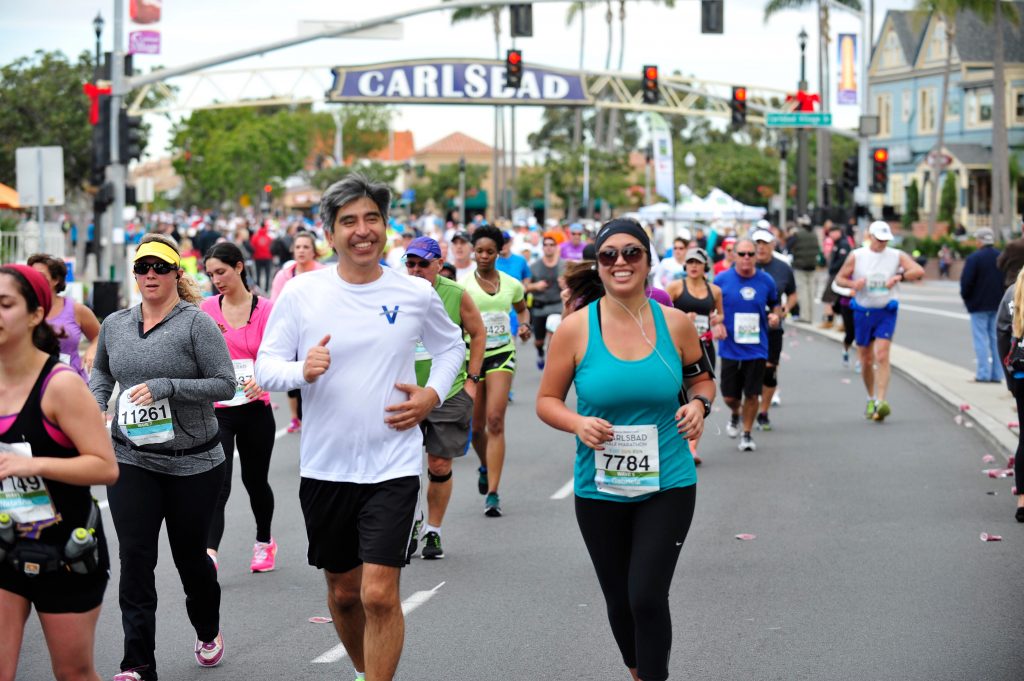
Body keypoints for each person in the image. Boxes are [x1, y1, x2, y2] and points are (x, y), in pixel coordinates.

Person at [255, 174, 465, 681]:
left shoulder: (414, 292)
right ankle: (363, 670)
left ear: (386, 227)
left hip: (391, 464)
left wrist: (432, 394)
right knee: (345, 594)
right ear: (330, 233)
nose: (362, 230)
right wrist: (301, 370)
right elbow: (266, 366)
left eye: (372, 218)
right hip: (326, 467)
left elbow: (450, 345)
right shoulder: (304, 292)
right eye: (349, 221)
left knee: (378, 593)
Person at [536, 218, 715, 681]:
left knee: (647, 596)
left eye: (632, 252)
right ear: (598, 265)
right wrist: (578, 422)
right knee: (619, 599)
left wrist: (700, 405)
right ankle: (639, 671)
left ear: (648, 261)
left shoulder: (675, 324)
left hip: (669, 482)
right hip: (599, 487)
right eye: (609, 254)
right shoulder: (575, 330)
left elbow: (702, 378)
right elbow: (546, 402)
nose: (621, 262)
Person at [90, 234, 236, 680]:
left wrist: (168, 385)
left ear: (176, 273)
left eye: (159, 267)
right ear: (134, 275)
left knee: (191, 559)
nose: (150, 275)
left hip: (193, 462)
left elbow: (224, 384)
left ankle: (207, 630)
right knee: (135, 558)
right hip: (132, 459)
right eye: (142, 267)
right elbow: (102, 370)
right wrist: (96, 406)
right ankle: (137, 663)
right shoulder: (115, 323)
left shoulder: (196, 324)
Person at [0, 264, 118, 681]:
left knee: (74, 674)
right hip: (4, 542)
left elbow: (105, 467)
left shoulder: (61, 385)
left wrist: (33, 464)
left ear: (35, 314)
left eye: (5, 304)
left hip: (66, 550)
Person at [403, 237, 485, 560]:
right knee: (404, 466)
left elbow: (478, 333)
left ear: (439, 263)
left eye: (423, 264)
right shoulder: (396, 291)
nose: (416, 270)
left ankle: (433, 530)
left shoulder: (455, 294)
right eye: (410, 264)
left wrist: (473, 382)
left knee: (438, 463)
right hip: (405, 391)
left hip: (448, 392)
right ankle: (410, 521)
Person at [200, 242, 279, 573]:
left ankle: (264, 542)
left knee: (255, 480)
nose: (217, 279)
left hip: (257, 409)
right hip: (220, 409)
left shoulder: (267, 309)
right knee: (220, 482)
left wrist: (264, 379)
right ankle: (210, 555)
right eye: (211, 274)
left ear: (239, 267)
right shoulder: (206, 309)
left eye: (222, 271)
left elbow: (280, 355)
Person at [463, 226, 531, 516]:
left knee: (495, 420)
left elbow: (521, 308)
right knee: (475, 427)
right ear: (473, 252)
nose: (484, 256)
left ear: (499, 251)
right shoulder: (463, 285)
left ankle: (493, 492)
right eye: (479, 251)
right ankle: (484, 465)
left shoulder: (512, 284)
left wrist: (525, 324)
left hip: (503, 354)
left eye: (490, 251)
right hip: (472, 357)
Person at [834, 221, 925, 421]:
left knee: (882, 355)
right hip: (863, 311)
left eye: (885, 240)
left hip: (886, 310)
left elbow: (918, 270)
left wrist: (899, 276)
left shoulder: (895, 255)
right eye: (879, 239)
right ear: (870, 237)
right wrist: (853, 283)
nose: (882, 243)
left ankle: (882, 401)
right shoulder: (857, 255)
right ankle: (871, 397)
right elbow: (839, 279)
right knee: (866, 359)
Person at [717, 238, 782, 451]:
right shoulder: (721, 280)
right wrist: (715, 323)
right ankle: (736, 412)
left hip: (756, 347)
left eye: (750, 254)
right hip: (730, 346)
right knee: (729, 395)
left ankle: (746, 433)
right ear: (733, 255)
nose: (746, 258)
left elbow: (775, 305)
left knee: (752, 394)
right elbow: (711, 308)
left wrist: (775, 316)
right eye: (742, 253)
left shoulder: (766, 281)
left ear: (756, 256)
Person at [269, 231, 326, 433]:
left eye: (306, 247)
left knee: (315, 378)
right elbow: (275, 307)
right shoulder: (284, 276)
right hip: (292, 335)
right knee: (294, 379)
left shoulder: (324, 273)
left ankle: (316, 417)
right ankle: (295, 417)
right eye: (298, 247)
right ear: (293, 249)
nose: (301, 251)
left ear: (314, 251)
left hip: (317, 335)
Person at [26, 253, 101, 380]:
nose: (34, 280)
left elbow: (101, 335)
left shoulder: (76, 309)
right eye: (31, 276)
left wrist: (91, 351)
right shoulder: (22, 309)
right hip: (32, 384)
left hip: (72, 383)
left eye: (40, 276)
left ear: (56, 280)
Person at [751, 229, 797, 431]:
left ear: (772, 246)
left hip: (772, 325)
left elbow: (792, 294)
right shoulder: (744, 266)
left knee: (769, 370)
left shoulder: (782, 268)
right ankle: (743, 411)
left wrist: (785, 310)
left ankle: (763, 412)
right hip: (747, 326)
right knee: (750, 370)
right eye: (757, 243)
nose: (760, 247)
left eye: (765, 243)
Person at [996, 268, 1024, 521]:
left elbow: (1002, 335)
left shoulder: (1013, 292)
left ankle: (1022, 501)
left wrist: (1010, 379)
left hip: (1022, 374)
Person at [959, 228, 1005, 383]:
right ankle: (997, 375)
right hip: (998, 304)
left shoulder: (974, 258)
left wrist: (967, 299)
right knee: (995, 339)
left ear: (979, 241)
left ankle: (983, 374)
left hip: (978, 305)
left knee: (980, 339)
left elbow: (966, 282)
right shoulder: (1001, 257)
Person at [527, 232, 566, 370]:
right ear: (542, 248)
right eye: (546, 245)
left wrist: (566, 285)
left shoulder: (564, 265)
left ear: (556, 247)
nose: (549, 248)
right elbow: (524, 287)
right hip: (540, 306)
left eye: (552, 245)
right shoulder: (534, 266)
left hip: (557, 306)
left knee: (553, 336)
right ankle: (540, 352)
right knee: (538, 341)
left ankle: (552, 364)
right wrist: (535, 286)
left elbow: (573, 286)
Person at [786, 215, 820, 323]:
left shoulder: (797, 234)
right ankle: (812, 316)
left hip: (800, 266)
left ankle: (805, 316)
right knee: (811, 292)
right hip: (812, 266)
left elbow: (788, 246)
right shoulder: (814, 234)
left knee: (803, 292)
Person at [250, 221, 274, 292]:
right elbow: (272, 248)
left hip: (258, 258)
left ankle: (259, 288)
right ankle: (266, 289)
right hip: (268, 258)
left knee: (258, 274)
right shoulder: (269, 237)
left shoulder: (255, 237)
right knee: (267, 274)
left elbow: (252, 247)